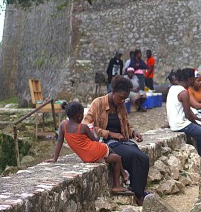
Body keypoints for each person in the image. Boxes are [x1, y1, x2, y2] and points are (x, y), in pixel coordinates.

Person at [83, 76, 150, 205]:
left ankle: (138, 191)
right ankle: (139, 195)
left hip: (123, 141)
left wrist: (133, 132)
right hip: (107, 143)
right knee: (134, 155)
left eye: (125, 98)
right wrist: (110, 134)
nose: (123, 101)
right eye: (121, 97)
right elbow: (88, 127)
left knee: (143, 158)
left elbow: (126, 125)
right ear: (113, 92)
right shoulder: (98, 103)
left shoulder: (121, 106)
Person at [48, 101, 129, 194]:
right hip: (94, 151)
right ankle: (117, 185)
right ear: (79, 116)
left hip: (85, 157)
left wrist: (55, 158)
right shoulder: (83, 127)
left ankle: (124, 173)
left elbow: (59, 141)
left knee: (113, 155)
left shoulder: (63, 125)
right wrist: (94, 130)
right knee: (116, 157)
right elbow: (95, 140)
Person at [167, 68, 201, 155]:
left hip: (175, 123)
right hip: (181, 124)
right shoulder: (184, 93)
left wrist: (198, 119)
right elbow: (187, 114)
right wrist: (196, 124)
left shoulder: (173, 88)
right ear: (190, 79)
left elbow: (187, 110)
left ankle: (200, 154)